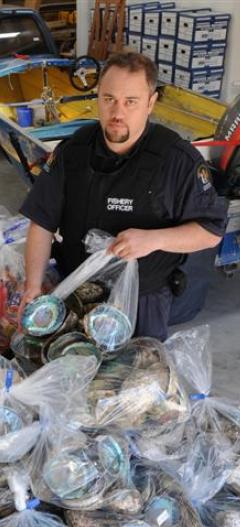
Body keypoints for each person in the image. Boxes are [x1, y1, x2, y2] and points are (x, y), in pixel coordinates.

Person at [18, 52, 228, 340]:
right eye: (109, 99)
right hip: (76, 292)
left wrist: (153, 240)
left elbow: (210, 231)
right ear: (98, 98)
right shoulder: (72, 152)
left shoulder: (177, 159)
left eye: (131, 101)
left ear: (151, 103)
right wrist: (32, 285)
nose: (118, 112)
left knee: (137, 379)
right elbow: (41, 221)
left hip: (143, 302)